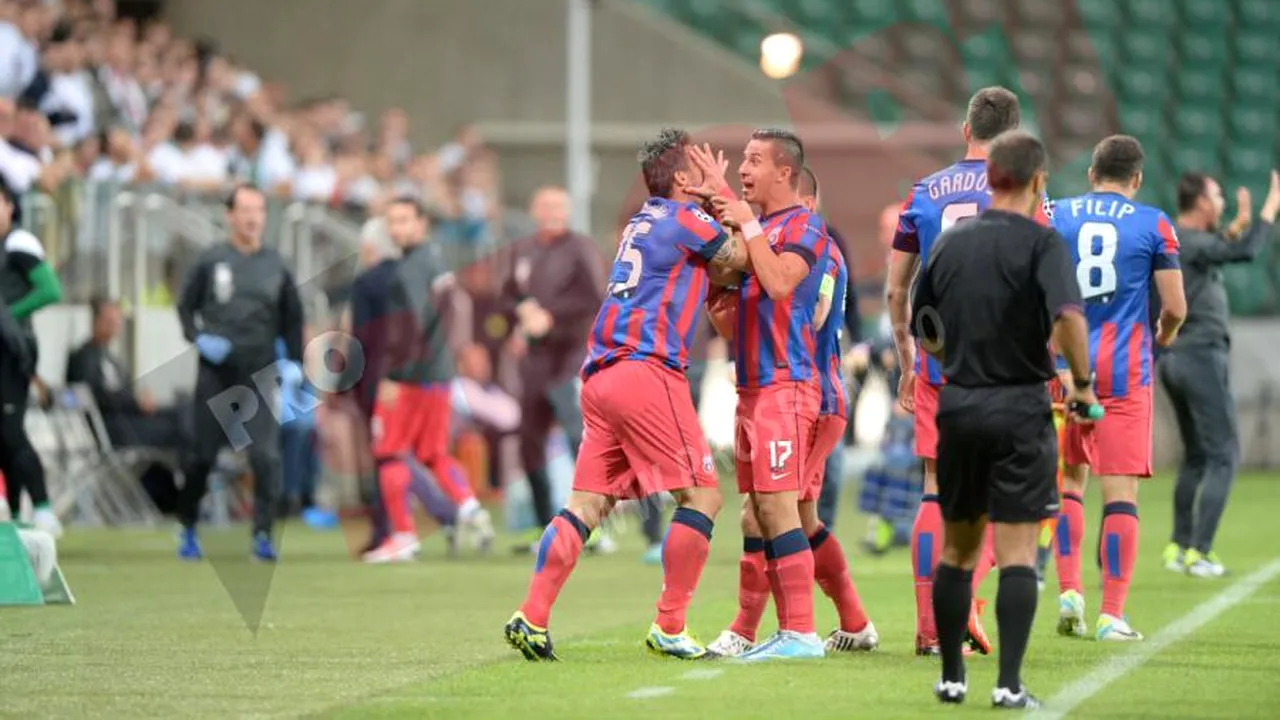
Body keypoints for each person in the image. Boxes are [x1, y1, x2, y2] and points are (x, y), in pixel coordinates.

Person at [504, 129, 738, 661]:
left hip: (601, 374)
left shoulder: (642, 220)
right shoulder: (686, 219)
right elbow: (742, 258)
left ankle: (532, 616)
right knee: (703, 495)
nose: (705, 171)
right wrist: (725, 197)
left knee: (586, 504)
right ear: (681, 178)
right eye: (696, 166)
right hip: (647, 370)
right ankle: (670, 626)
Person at [912, 130, 1096, 708]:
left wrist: (955, 361)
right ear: (1038, 181)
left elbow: (924, 322)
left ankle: (950, 677)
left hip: (960, 404)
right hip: (1020, 405)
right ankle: (1009, 686)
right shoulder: (1043, 245)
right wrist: (1083, 384)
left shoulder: (949, 244)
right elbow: (1068, 317)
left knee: (958, 551)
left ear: (991, 180)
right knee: (1016, 552)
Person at [701, 162, 878, 659]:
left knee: (766, 514)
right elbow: (738, 321)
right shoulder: (779, 244)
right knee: (795, 515)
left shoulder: (817, 248)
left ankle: (761, 629)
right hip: (786, 389)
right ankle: (852, 621)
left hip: (810, 393)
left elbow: (814, 313)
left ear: (808, 203)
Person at [886, 86, 1035, 656]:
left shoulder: (924, 192)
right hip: (1003, 361)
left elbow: (898, 289)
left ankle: (930, 627)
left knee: (934, 488)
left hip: (940, 357)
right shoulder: (1024, 189)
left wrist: (906, 365)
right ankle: (967, 602)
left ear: (963, 129)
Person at [692, 129, 832, 661]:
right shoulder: (758, 228)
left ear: (785, 172)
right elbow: (727, 322)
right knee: (754, 515)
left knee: (779, 509)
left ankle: (801, 632)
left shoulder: (806, 226)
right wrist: (715, 234)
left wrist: (743, 224)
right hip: (750, 389)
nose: (743, 170)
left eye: (754, 161)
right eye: (743, 161)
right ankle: (745, 631)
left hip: (787, 386)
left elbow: (778, 284)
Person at [1052, 135, 1187, 642]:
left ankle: (1069, 589)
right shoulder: (1153, 222)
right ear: (1137, 180)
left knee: (1069, 482)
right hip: (1126, 369)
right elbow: (1175, 308)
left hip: (1067, 362)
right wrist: (1164, 335)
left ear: (1091, 173)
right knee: (1120, 495)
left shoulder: (1056, 212)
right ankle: (1111, 614)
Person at [174, 184, 304, 562]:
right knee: (201, 456)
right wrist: (198, 338)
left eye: (258, 210)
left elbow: (293, 318)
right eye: (245, 210)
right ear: (229, 215)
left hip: (260, 372)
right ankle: (187, 526)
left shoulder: (276, 265)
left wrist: (294, 362)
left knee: (266, 456)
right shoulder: (211, 260)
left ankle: (262, 535)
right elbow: (185, 308)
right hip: (216, 372)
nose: (252, 217)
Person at [1160, 170, 1279, 577]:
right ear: (1201, 203)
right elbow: (1244, 252)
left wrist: (1232, 231)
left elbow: (1216, 249)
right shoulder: (1190, 240)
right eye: (1217, 194)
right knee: (1225, 454)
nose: (1223, 201)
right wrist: (1268, 211)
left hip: (1175, 360)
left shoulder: (1181, 241)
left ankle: (1178, 546)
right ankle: (1201, 551)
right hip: (1199, 356)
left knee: (1195, 456)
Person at [364, 197, 494, 563]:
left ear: (422, 223)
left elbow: (413, 326)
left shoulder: (409, 269)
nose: (396, 228)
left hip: (408, 378)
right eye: (392, 220)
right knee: (432, 453)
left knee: (388, 451)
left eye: (404, 219)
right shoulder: (437, 262)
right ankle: (470, 508)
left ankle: (403, 537)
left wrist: (393, 374)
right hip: (438, 373)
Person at [500, 186, 604, 550]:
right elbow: (508, 293)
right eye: (545, 205)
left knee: (578, 434)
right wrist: (522, 310)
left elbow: (594, 298)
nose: (552, 212)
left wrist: (552, 318)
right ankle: (546, 521)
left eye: (559, 206)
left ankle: (590, 522)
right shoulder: (522, 250)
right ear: (533, 209)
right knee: (529, 436)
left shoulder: (580, 248)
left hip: (571, 353)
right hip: (535, 357)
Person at [0, 177, 61, 537]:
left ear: (10, 206)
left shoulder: (19, 243)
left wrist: (9, 313)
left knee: (11, 431)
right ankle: (17, 511)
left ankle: (43, 509)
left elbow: (50, 289)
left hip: (11, 351)